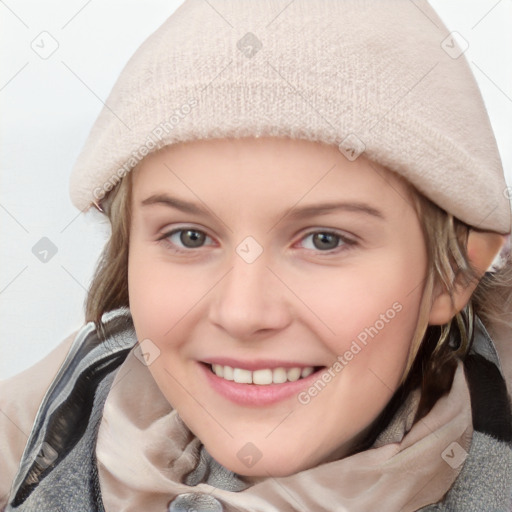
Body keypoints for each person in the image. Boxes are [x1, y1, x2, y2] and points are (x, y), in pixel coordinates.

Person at [1, 1, 511, 511]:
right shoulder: (64, 401)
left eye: (324, 240)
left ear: (453, 274)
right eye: (190, 237)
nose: (242, 313)